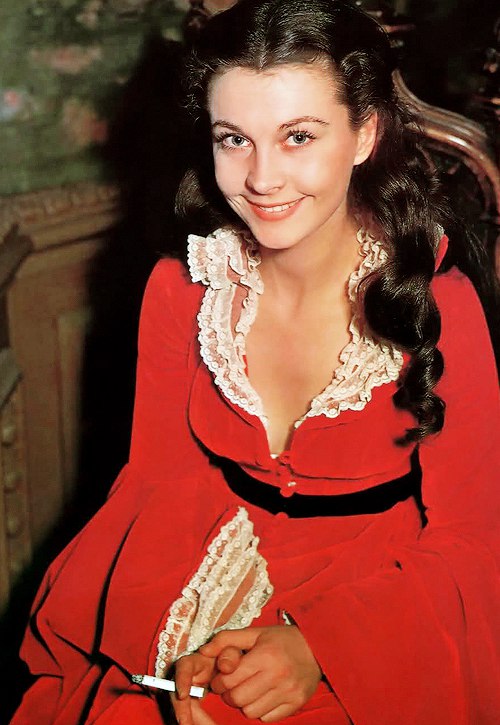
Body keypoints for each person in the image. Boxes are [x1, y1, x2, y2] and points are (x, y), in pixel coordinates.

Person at [10, 1, 500, 724]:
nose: (262, 178)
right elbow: (155, 486)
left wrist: (319, 647)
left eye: (298, 136)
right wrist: (185, 648)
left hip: (384, 608)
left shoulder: (437, 304)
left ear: (365, 134)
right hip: (198, 562)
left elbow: (476, 541)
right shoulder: (182, 287)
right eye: (234, 139)